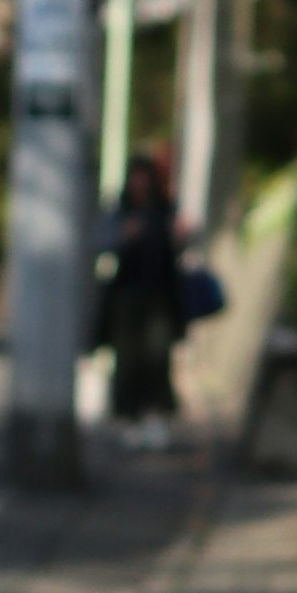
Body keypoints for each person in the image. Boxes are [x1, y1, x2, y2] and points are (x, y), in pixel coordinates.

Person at [100, 145, 189, 441]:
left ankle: (154, 415)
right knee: (128, 357)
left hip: (160, 294)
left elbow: (179, 246)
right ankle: (130, 416)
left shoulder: (165, 210)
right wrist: (125, 236)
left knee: (157, 355)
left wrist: (180, 235)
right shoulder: (120, 210)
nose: (140, 184)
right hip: (127, 293)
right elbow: (104, 243)